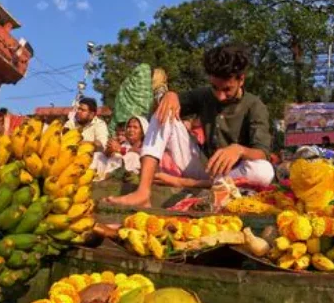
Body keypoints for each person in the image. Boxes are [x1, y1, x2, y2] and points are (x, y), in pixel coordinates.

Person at [107, 43, 274, 207]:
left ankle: (190, 183)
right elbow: (166, 106)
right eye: (215, 88)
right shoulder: (204, 95)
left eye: (227, 89)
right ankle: (143, 192)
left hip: (234, 174)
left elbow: (263, 153)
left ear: (241, 80)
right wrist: (170, 95)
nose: (220, 96)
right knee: (166, 111)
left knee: (264, 171)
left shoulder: (255, 105)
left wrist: (239, 150)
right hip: (204, 167)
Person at [90, 116, 149, 180]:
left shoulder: (147, 144)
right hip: (109, 170)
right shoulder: (123, 142)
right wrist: (110, 150)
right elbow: (107, 154)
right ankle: (90, 175)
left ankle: (113, 178)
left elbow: (142, 153)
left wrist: (120, 149)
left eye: (135, 127)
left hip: (131, 174)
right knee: (98, 155)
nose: (131, 130)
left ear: (143, 132)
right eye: (129, 127)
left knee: (132, 156)